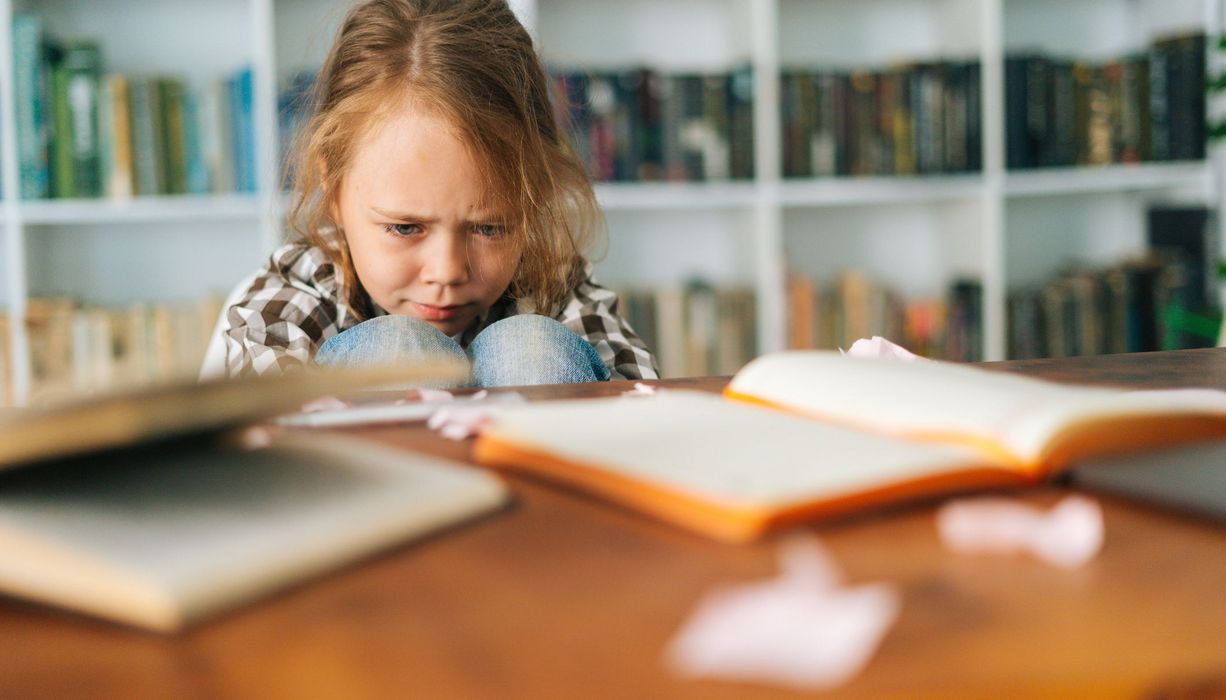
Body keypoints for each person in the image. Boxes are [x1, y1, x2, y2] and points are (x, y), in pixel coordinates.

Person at [220, 0, 658, 386]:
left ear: (534, 196)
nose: (447, 272)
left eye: (489, 227)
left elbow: (647, 416)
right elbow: (258, 446)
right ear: (333, 189)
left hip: (544, 471)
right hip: (362, 479)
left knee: (530, 348)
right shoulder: (296, 292)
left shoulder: (553, 285)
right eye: (405, 227)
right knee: (401, 353)